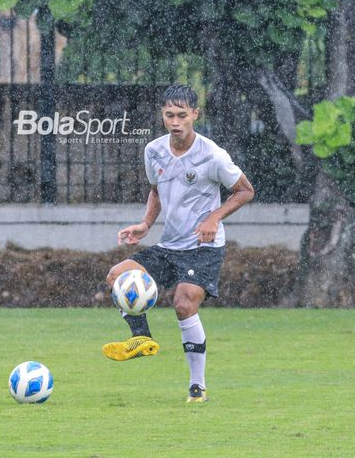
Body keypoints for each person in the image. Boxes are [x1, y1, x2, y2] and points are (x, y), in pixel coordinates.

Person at [103, 84, 254, 403]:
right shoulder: (154, 151)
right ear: (162, 114)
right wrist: (145, 224)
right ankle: (141, 338)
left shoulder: (212, 155)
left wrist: (214, 218)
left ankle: (197, 387)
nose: (175, 122)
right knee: (117, 275)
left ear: (195, 115)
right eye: (169, 115)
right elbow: (157, 190)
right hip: (169, 246)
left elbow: (245, 190)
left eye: (182, 115)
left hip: (203, 248)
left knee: (184, 302)